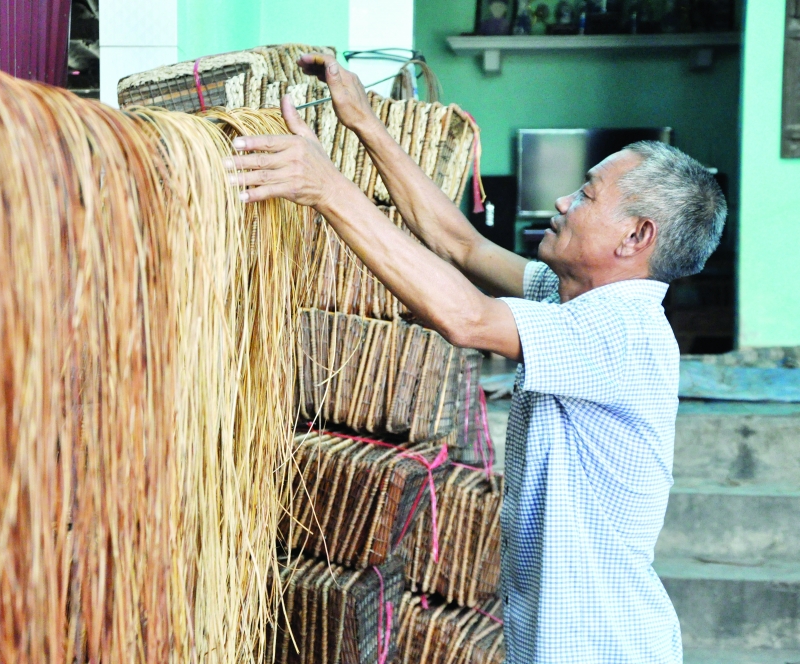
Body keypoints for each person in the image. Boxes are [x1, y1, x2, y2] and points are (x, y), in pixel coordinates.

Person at [224, 54, 726, 664]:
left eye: (587, 194)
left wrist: (326, 189)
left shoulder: (623, 331)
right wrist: (362, 121)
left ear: (636, 236)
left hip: (602, 647)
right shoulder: (572, 298)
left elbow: (466, 318)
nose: (563, 200)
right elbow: (458, 243)